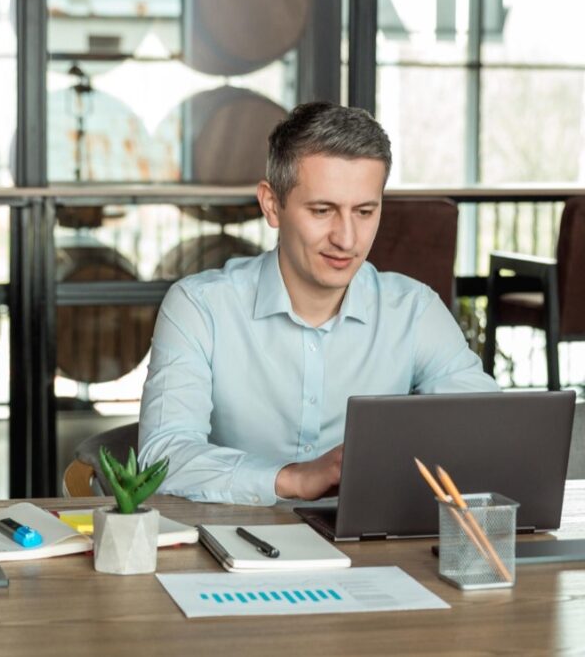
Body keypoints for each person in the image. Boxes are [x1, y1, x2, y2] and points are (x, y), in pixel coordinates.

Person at [138, 102, 498, 506]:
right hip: (233, 543)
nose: (346, 238)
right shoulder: (199, 307)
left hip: (372, 552)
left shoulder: (414, 310)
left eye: (364, 211)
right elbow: (162, 457)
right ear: (272, 205)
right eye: (323, 211)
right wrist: (291, 479)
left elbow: (485, 436)